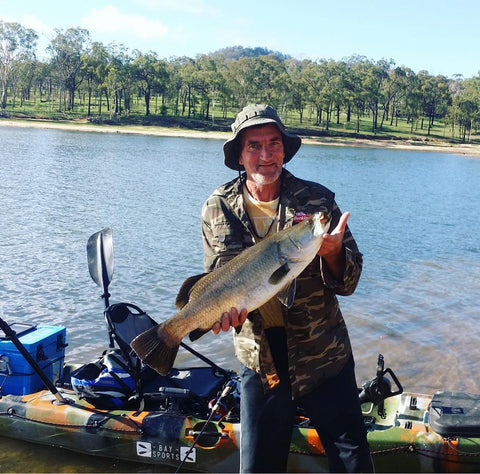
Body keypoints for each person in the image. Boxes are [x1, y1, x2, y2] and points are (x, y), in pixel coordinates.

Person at [201, 104, 373, 473]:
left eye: (274, 144)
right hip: (260, 361)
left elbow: (350, 281)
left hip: (323, 355)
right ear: (239, 154)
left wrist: (333, 253)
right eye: (254, 146)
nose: (266, 156)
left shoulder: (317, 202)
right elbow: (215, 280)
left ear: (284, 148)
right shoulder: (217, 208)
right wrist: (220, 317)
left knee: (354, 464)